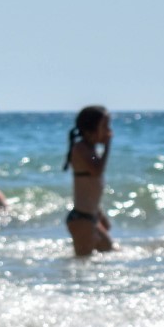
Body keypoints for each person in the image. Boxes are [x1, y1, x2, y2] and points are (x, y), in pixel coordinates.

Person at [64, 106, 114, 256]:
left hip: (90, 217)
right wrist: (107, 146)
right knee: (82, 264)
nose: (108, 130)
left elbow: (90, 189)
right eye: (104, 126)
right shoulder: (80, 148)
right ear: (90, 129)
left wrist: (99, 213)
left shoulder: (90, 149)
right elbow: (97, 170)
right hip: (81, 219)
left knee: (108, 250)